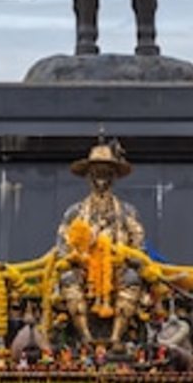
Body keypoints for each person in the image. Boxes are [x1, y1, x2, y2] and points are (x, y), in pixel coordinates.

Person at [56, 139, 146, 347]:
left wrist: (122, 257)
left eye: (106, 172)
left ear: (113, 176)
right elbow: (62, 246)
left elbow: (139, 247)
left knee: (133, 278)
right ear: (89, 176)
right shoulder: (75, 213)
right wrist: (78, 258)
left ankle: (116, 337)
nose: (101, 178)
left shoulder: (127, 212)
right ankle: (85, 336)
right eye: (96, 172)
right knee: (68, 278)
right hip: (83, 268)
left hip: (119, 268)